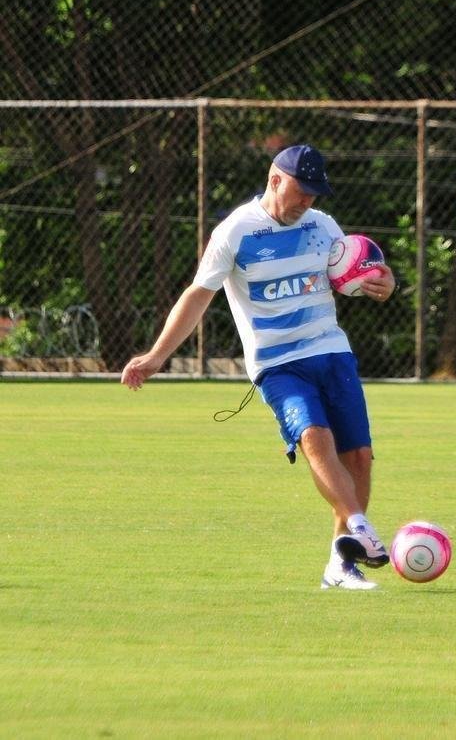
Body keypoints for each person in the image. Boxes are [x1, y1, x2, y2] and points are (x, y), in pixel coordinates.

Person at [121, 144, 397, 590]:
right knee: (313, 437)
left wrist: (382, 282)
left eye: (314, 193)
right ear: (275, 180)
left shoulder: (323, 227)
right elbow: (197, 295)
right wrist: (156, 356)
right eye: (301, 190)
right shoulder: (236, 232)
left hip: (331, 352)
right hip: (278, 363)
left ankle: (341, 564)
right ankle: (362, 528)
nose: (307, 201)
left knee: (359, 457)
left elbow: (356, 271)